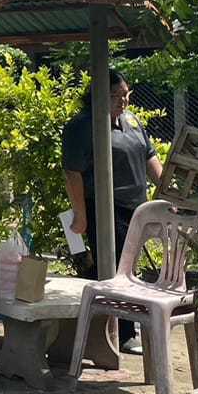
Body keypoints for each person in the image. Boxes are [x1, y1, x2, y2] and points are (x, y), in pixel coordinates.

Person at [62, 69, 163, 354]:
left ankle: (101, 328)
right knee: (117, 269)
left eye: (126, 94)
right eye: (115, 95)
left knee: (127, 269)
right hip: (104, 208)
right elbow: (73, 173)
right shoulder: (82, 126)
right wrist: (80, 214)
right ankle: (123, 332)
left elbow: (150, 156)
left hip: (136, 208)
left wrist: (168, 189)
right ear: (96, 96)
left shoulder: (131, 121)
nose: (123, 100)